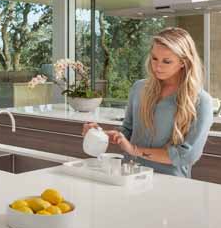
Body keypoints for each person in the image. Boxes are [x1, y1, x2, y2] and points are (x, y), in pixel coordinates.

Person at [83, 27, 213, 178]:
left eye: (167, 61)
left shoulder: (201, 101)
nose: (157, 66)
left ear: (183, 62)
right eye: (154, 58)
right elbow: (128, 131)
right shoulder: (139, 88)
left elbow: (186, 155)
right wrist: (100, 134)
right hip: (129, 175)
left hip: (169, 182)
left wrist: (134, 150)